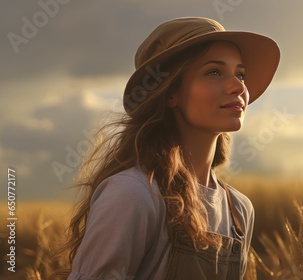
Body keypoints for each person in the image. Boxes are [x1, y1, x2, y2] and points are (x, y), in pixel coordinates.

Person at [59, 17, 280, 279]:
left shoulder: (240, 210)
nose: (239, 87)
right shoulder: (134, 194)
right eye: (214, 72)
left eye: (240, 74)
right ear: (170, 92)